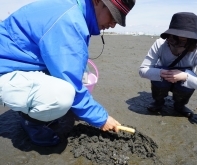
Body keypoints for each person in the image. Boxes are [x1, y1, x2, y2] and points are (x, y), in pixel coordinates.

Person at [0, 0, 136, 146]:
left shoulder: (73, 10)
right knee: (63, 95)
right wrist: (102, 119)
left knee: (83, 73)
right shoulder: (69, 20)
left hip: (25, 64)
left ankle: (40, 109)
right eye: (113, 15)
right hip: (6, 71)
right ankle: (33, 123)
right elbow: (70, 80)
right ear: (97, 1)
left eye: (118, 20)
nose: (113, 24)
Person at [139, 12, 197, 118]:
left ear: (192, 42)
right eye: (172, 41)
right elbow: (142, 70)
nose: (176, 48)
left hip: (183, 83)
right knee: (158, 71)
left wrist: (185, 77)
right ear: (168, 37)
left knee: (190, 75)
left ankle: (179, 105)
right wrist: (161, 73)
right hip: (163, 79)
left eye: (183, 42)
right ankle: (158, 102)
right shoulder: (160, 43)